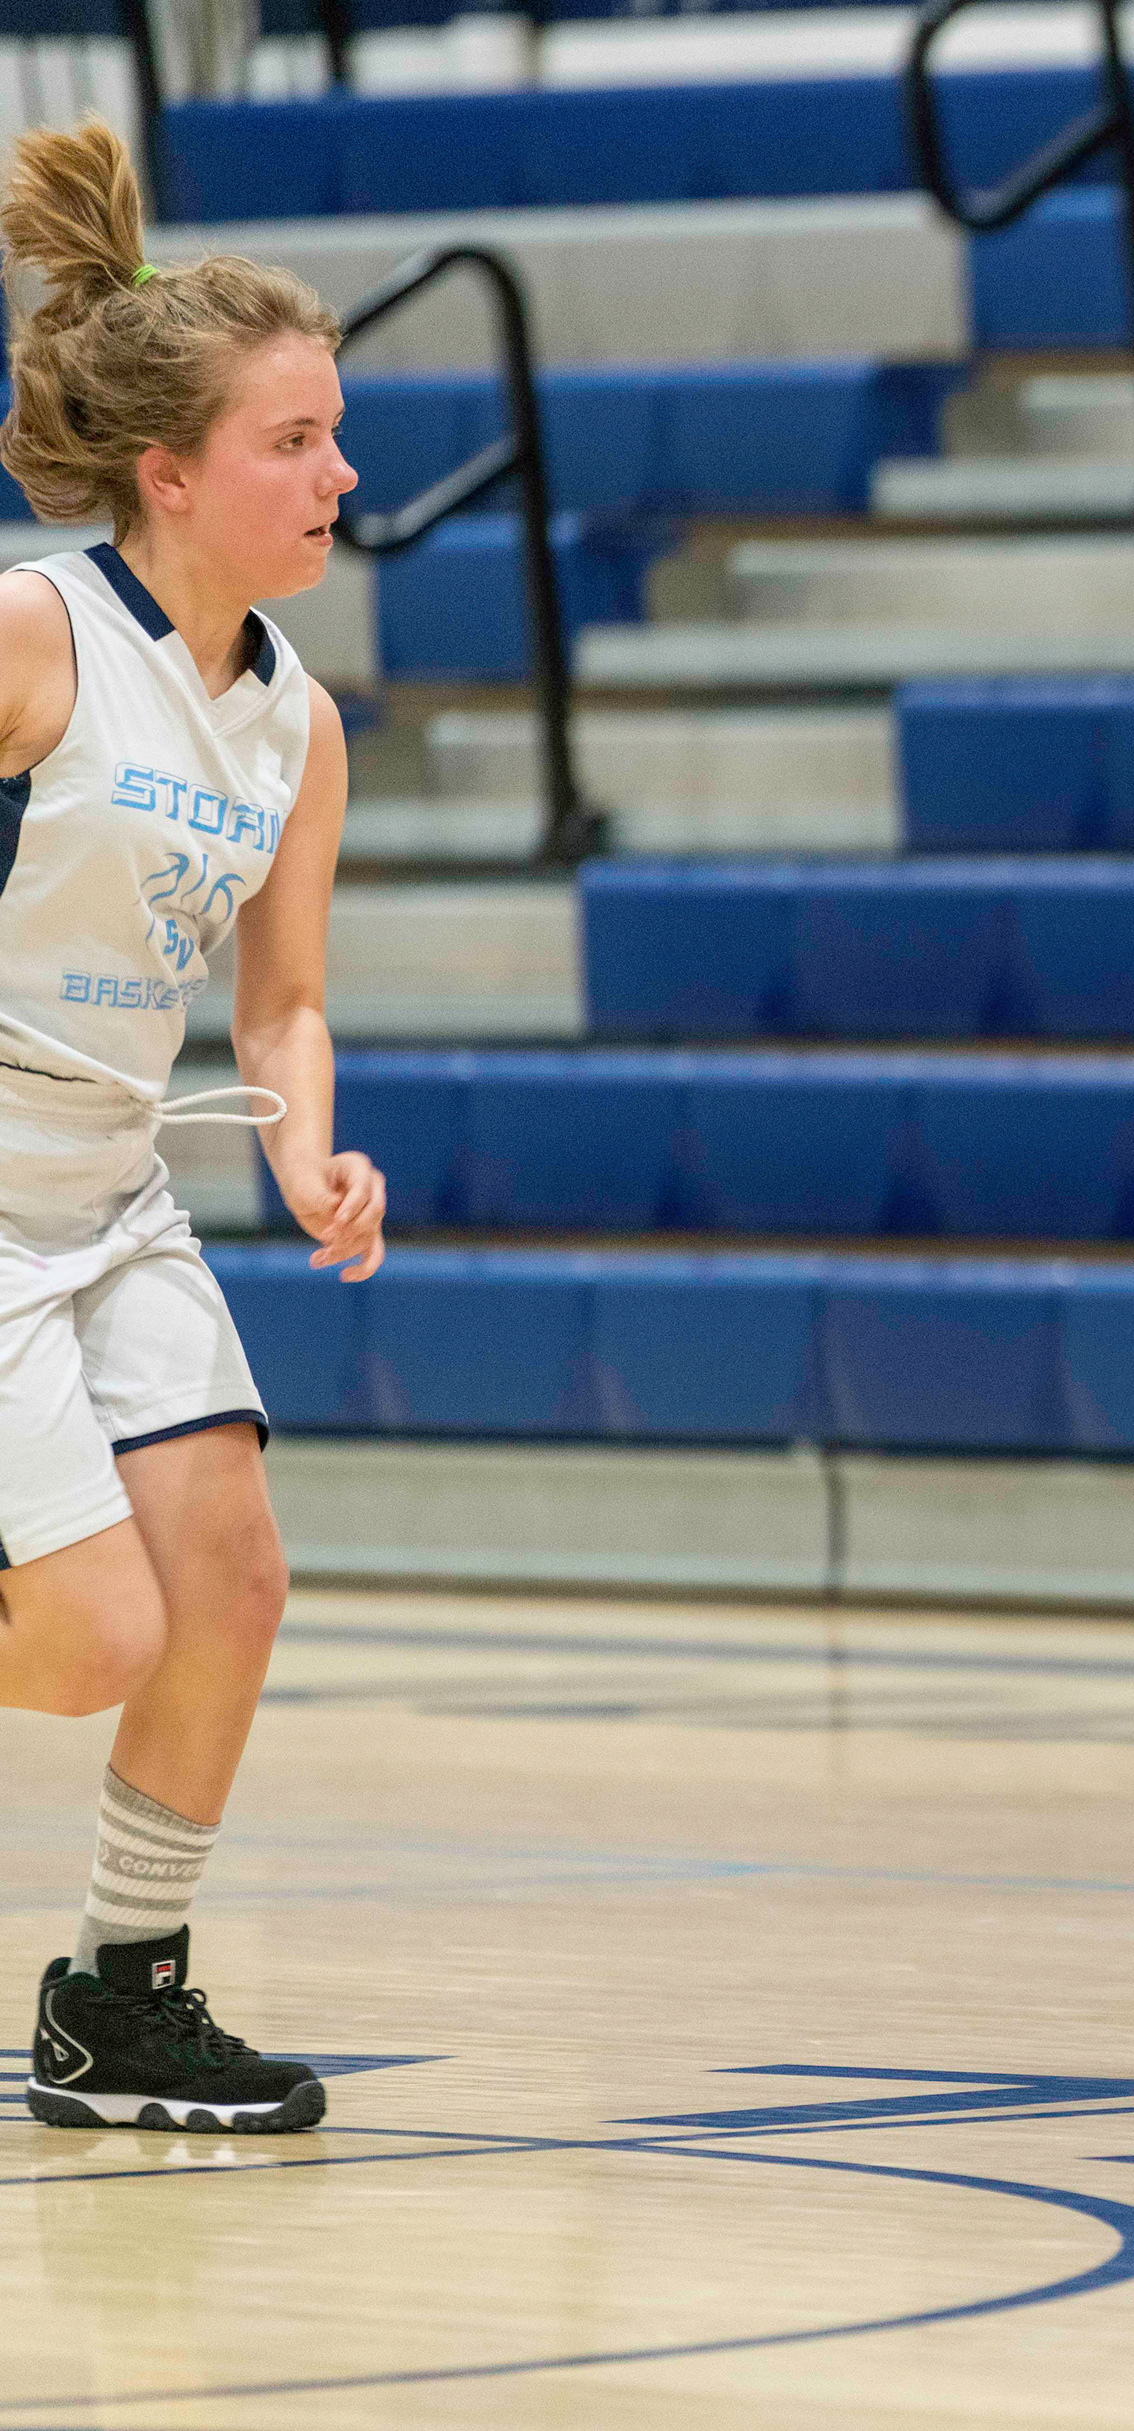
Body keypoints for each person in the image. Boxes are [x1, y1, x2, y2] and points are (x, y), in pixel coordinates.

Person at [0, 117, 387, 2133]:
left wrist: (307, 1148)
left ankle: (120, 1998)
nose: (338, 475)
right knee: (85, 1642)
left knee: (229, 1579)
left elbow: (282, 997)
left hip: (114, 1188)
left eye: (337, 437)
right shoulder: (39, 634)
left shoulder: (298, 719)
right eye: (294, 441)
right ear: (169, 473)